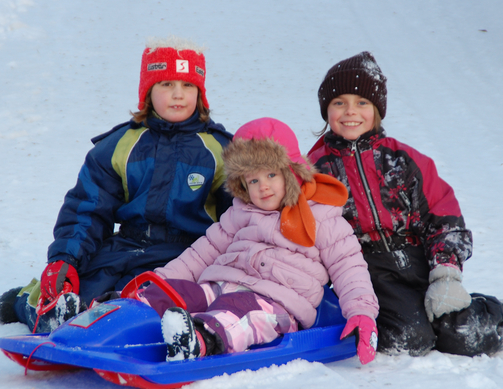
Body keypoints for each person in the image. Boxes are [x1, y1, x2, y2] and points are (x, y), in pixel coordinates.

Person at [307, 51, 503, 357]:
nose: (350, 111)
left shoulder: (404, 161)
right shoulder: (315, 171)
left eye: (362, 102)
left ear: (377, 110)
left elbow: (443, 217)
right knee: (408, 338)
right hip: (366, 271)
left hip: (419, 260)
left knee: (459, 331)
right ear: (326, 110)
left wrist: (446, 272)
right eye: (339, 102)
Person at [0, 36, 234, 333]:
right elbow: (88, 209)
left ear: (200, 93)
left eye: (187, 85)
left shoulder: (221, 151)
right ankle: (35, 304)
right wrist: (66, 258)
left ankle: (119, 326)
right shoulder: (120, 145)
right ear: (148, 91)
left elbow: (238, 218)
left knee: (154, 302)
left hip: (189, 255)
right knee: (83, 292)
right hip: (126, 247)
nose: (178, 94)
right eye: (166, 84)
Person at [138, 117, 379, 364]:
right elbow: (203, 252)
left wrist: (361, 312)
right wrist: (162, 281)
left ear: (292, 172)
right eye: (253, 180)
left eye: (271, 175)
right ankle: (130, 310)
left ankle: (198, 341)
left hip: (276, 304)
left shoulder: (322, 216)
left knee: (238, 315)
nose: (263, 187)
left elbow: (348, 267)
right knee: (179, 294)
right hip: (223, 285)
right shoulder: (241, 212)